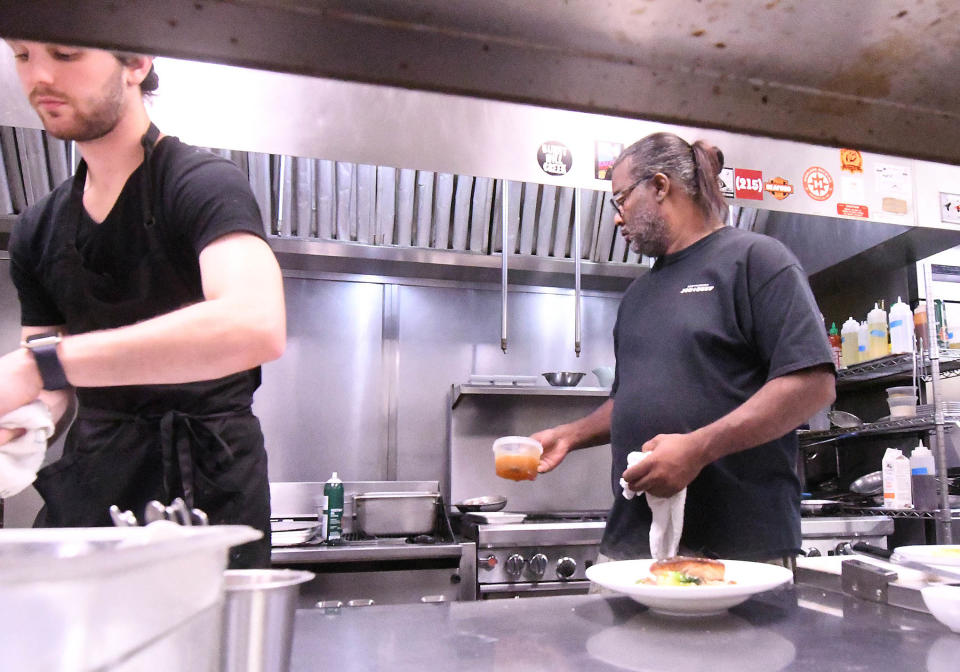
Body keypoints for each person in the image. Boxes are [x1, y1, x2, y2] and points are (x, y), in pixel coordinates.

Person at [0, 41, 286, 568]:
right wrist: (19, 423)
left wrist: (41, 364)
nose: (38, 77)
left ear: (135, 63)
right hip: (95, 480)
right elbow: (48, 391)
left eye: (64, 54)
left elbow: (255, 325)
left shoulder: (201, 185)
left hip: (208, 486)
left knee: (203, 648)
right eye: (21, 55)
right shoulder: (37, 229)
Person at [533, 132, 836, 562]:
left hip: (740, 550)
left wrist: (698, 449)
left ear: (659, 186)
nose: (617, 219)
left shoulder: (757, 261)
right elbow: (630, 400)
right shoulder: (639, 294)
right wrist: (569, 435)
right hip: (632, 546)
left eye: (620, 200)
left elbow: (813, 383)